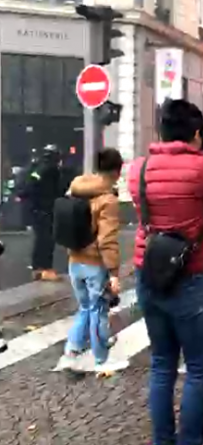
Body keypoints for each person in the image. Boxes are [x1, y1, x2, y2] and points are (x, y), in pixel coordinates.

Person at [127, 99, 203, 445]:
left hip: (149, 276)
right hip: (188, 280)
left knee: (161, 365)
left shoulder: (138, 168)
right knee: (197, 370)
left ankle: (162, 441)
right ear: (197, 133)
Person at [57, 148, 125, 373]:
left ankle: (71, 352)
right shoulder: (108, 199)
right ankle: (101, 361)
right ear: (117, 171)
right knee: (98, 311)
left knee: (85, 308)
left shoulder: (76, 188)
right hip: (94, 263)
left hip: (74, 260)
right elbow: (107, 239)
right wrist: (114, 272)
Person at [18, 144, 65, 281]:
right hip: (45, 209)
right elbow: (56, 189)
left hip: (37, 209)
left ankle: (37, 268)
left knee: (40, 239)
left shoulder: (38, 168)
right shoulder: (50, 170)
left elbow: (29, 186)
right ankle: (45, 268)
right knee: (47, 240)